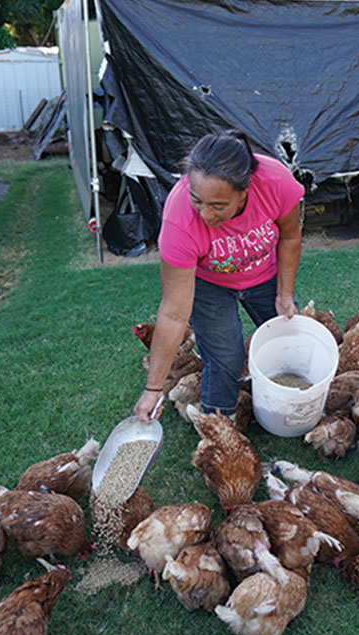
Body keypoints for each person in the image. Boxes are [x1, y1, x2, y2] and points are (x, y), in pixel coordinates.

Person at [134, 130, 304, 422]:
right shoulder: (179, 221)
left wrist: (285, 293)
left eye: (218, 206)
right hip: (209, 284)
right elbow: (174, 314)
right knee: (226, 356)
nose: (205, 215)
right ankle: (218, 424)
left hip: (264, 272)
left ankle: (287, 408)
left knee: (288, 339)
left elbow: (289, 237)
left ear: (246, 189)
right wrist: (153, 388)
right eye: (196, 200)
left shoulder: (276, 183)